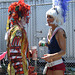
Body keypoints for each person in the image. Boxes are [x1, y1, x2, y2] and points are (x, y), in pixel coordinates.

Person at [5, 0, 37, 75]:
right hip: (17, 70)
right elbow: (14, 52)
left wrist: (28, 53)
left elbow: (19, 49)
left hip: (20, 68)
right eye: (26, 17)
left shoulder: (19, 29)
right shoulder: (17, 31)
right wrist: (20, 71)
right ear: (20, 18)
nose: (27, 20)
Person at [39, 0, 70, 75]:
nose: (48, 19)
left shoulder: (60, 31)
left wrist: (51, 56)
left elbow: (63, 51)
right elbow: (53, 45)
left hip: (57, 64)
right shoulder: (50, 30)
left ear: (56, 18)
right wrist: (44, 44)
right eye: (47, 17)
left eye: (51, 17)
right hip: (49, 65)